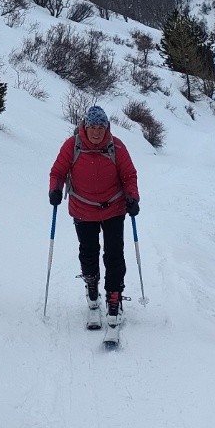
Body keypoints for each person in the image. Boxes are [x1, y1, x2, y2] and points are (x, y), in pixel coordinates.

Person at [48, 104, 139, 327]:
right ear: (85, 127)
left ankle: (114, 297)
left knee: (114, 255)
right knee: (88, 253)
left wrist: (132, 197)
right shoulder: (73, 145)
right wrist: (55, 189)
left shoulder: (116, 146)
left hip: (114, 207)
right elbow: (58, 172)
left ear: (106, 127)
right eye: (93, 126)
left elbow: (129, 175)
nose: (97, 131)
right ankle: (91, 289)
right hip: (83, 207)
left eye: (101, 127)